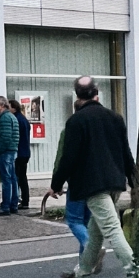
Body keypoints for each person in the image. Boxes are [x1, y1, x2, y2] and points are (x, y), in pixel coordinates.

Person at [53, 76, 138, 278]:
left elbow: (69, 158)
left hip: (92, 184)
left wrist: (57, 183)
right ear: (96, 92)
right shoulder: (115, 118)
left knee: (111, 229)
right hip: (114, 182)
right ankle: (80, 276)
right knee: (96, 231)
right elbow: (126, 153)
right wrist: (134, 179)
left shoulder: (76, 121)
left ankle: (136, 276)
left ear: (77, 94)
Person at [45, 98, 91, 259]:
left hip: (77, 181)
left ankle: (89, 248)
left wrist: (55, 183)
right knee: (86, 222)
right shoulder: (97, 128)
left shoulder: (70, 129)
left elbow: (62, 158)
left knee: (74, 220)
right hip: (98, 183)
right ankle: (84, 263)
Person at [0, 97, 21, 217]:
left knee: (7, 179)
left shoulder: (5, 118)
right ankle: (13, 204)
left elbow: (5, 138)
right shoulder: (9, 117)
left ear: (2, 106)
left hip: (6, 152)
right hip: (10, 151)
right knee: (12, 178)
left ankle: (6, 205)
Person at [8, 98, 32, 209]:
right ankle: (24, 200)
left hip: (20, 152)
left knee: (19, 177)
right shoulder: (23, 119)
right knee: (22, 177)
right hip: (25, 151)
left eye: (8, 107)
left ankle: (21, 200)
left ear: (13, 108)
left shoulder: (16, 119)